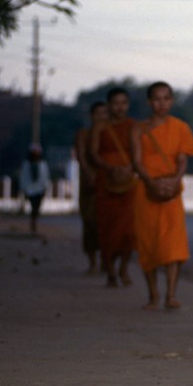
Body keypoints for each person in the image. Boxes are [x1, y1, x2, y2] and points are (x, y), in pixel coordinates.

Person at [131, 81, 193, 310]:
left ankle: (171, 294)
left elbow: (182, 158)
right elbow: (137, 161)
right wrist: (150, 182)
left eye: (166, 98)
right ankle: (153, 295)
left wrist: (173, 181)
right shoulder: (139, 129)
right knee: (148, 243)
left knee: (173, 244)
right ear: (150, 102)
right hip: (146, 191)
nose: (162, 103)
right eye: (157, 99)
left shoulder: (180, 128)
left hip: (171, 191)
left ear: (172, 100)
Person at [90, 87, 137, 287]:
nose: (120, 107)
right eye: (116, 103)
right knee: (107, 228)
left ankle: (124, 268)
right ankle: (109, 269)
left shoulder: (134, 126)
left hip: (128, 181)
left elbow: (139, 151)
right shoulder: (100, 127)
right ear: (109, 105)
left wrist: (130, 167)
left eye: (124, 102)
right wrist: (109, 168)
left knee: (128, 230)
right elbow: (93, 153)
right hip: (106, 182)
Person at [75, 101, 109, 272]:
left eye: (105, 114)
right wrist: (89, 175)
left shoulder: (110, 135)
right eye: (98, 114)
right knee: (89, 223)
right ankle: (92, 262)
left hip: (108, 183)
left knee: (106, 223)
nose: (101, 117)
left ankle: (105, 261)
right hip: (89, 183)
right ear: (92, 116)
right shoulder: (84, 134)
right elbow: (81, 156)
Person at [19, 143, 51, 234]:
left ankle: (34, 221)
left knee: (37, 207)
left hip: (39, 189)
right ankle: (33, 223)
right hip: (30, 189)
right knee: (33, 207)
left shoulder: (43, 164)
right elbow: (23, 177)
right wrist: (23, 189)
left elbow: (45, 177)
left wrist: (45, 188)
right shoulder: (26, 164)